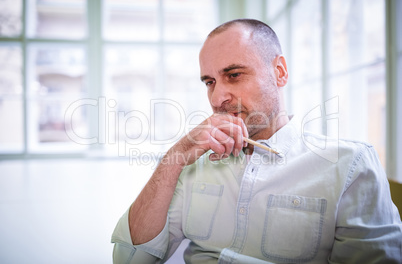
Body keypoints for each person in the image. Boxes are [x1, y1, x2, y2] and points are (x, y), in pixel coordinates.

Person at [111, 19, 402, 263]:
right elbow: (131, 258)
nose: (217, 98)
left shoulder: (349, 165)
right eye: (210, 82)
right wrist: (174, 158)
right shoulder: (194, 162)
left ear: (279, 72)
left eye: (234, 75)